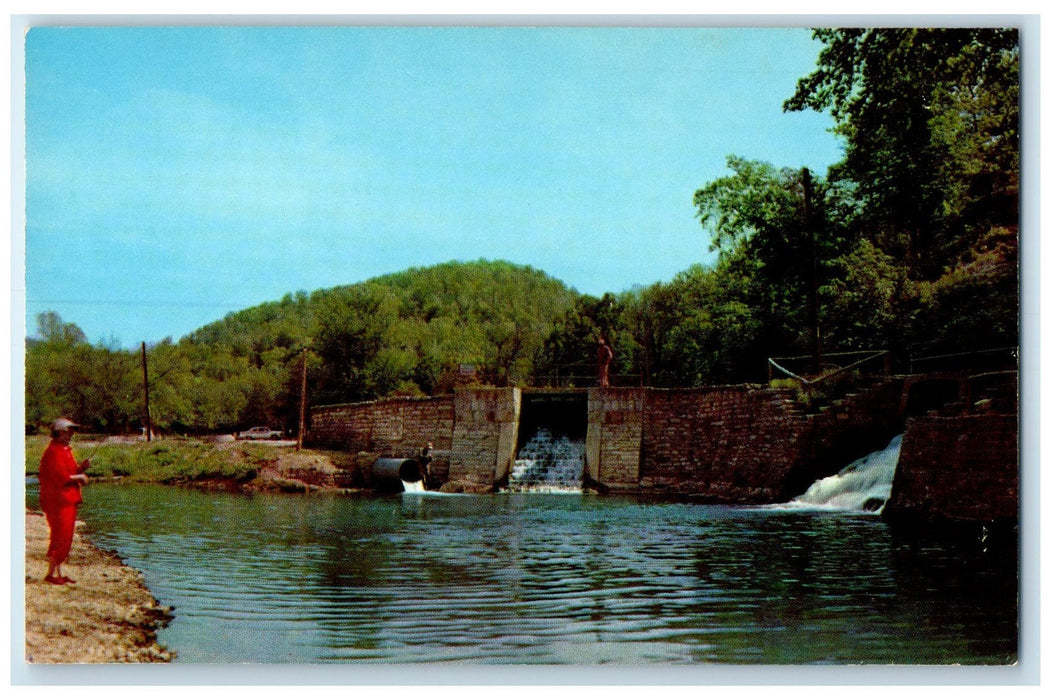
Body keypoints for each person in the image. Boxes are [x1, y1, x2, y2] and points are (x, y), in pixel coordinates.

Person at [38, 418, 90, 585]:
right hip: (58, 500)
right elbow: (60, 477)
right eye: (68, 432)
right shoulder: (54, 451)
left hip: (66, 498)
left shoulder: (64, 450)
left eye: (71, 432)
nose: (70, 435)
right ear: (59, 432)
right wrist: (80, 476)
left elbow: (69, 472)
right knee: (60, 535)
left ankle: (57, 572)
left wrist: (81, 468)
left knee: (65, 535)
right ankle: (51, 574)